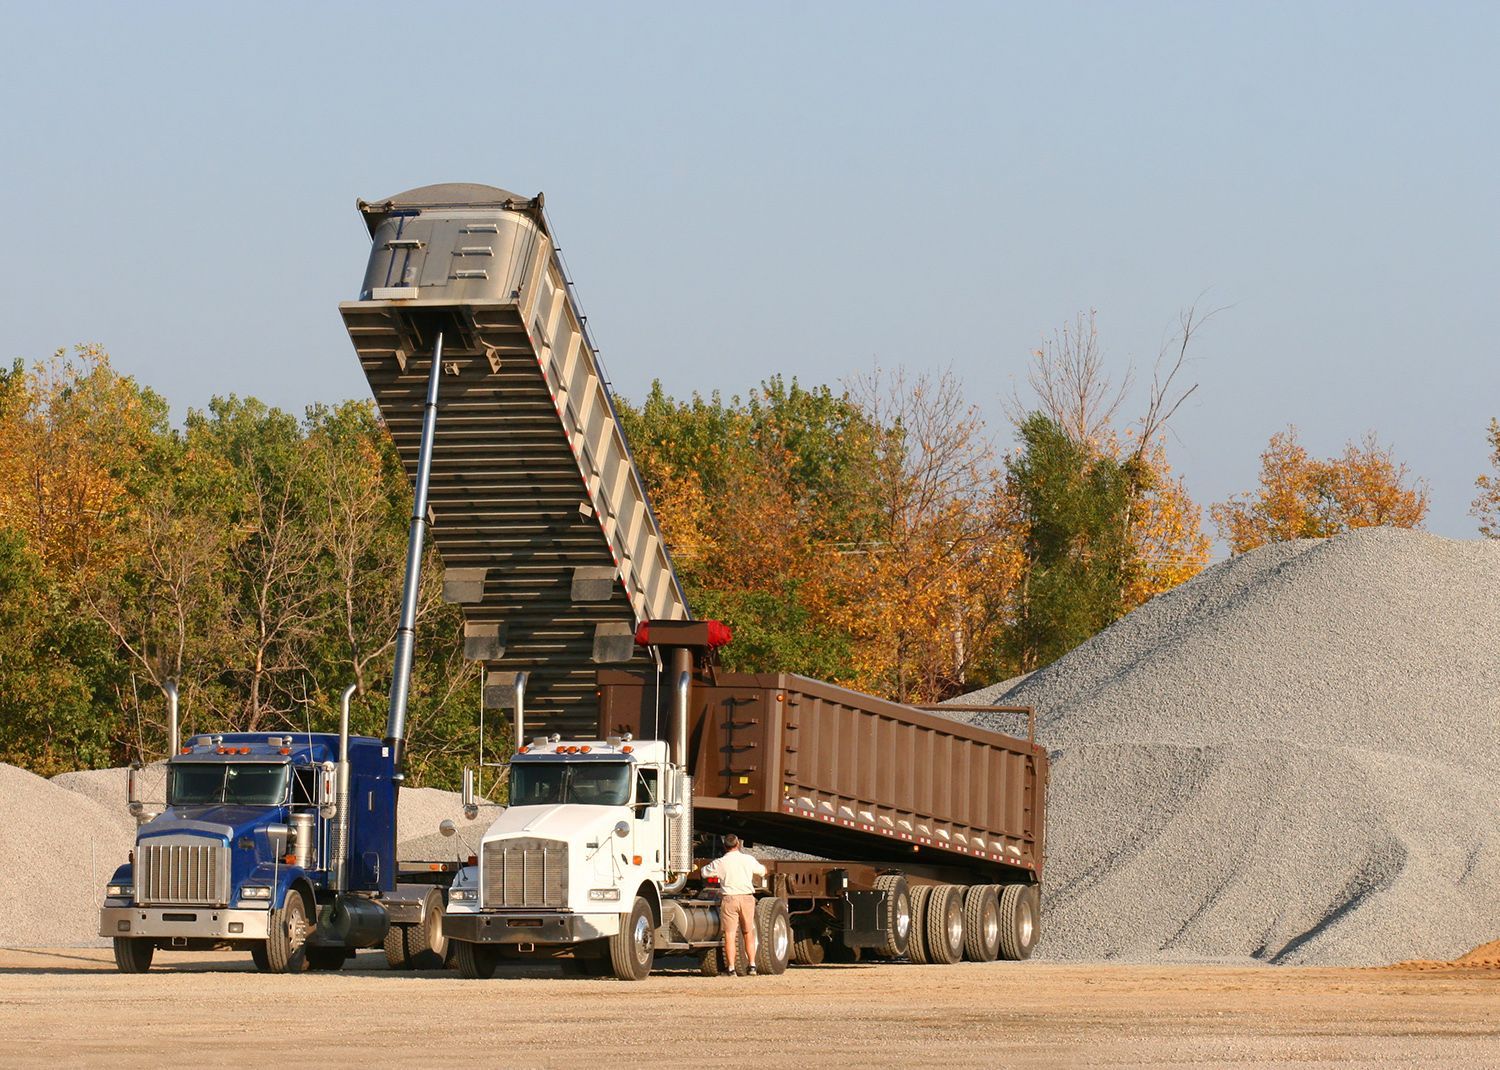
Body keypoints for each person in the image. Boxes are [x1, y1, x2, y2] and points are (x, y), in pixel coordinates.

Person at [703, 833, 767, 975]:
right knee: (748, 932)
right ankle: (752, 965)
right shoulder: (748, 859)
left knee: (730, 935)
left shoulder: (720, 862)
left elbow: (704, 873)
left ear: (725, 846)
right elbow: (763, 871)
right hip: (746, 898)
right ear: (738, 844)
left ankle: (731, 968)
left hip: (730, 898)